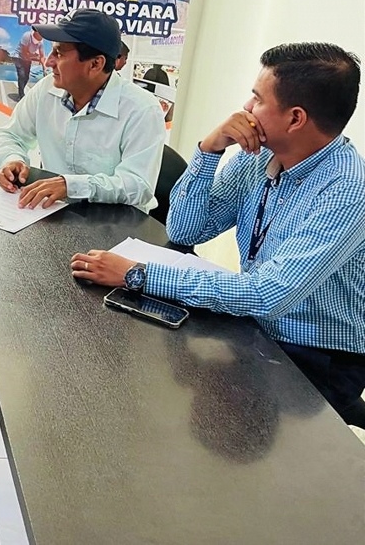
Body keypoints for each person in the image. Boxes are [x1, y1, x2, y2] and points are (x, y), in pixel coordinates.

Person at [71, 43, 365, 423]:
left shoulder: (347, 189)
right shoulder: (258, 156)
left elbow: (267, 295)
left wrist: (136, 274)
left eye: (258, 99)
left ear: (295, 119)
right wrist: (209, 151)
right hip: (259, 328)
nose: (246, 107)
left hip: (317, 356)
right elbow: (185, 229)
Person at [0, 9, 165, 211]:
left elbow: (138, 185)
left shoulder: (142, 109)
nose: (48, 62)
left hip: (117, 220)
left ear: (95, 64)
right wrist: (12, 159)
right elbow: (10, 136)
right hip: (53, 212)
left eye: (59, 53)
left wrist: (71, 186)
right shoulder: (45, 90)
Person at [13, 27, 47, 100]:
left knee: (26, 77)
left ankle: (21, 89)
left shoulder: (41, 42)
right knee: (22, 75)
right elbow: (24, 53)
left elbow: (42, 56)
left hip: (28, 59)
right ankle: (21, 95)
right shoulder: (27, 36)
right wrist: (35, 57)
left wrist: (44, 68)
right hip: (19, 57)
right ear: (36, 32)